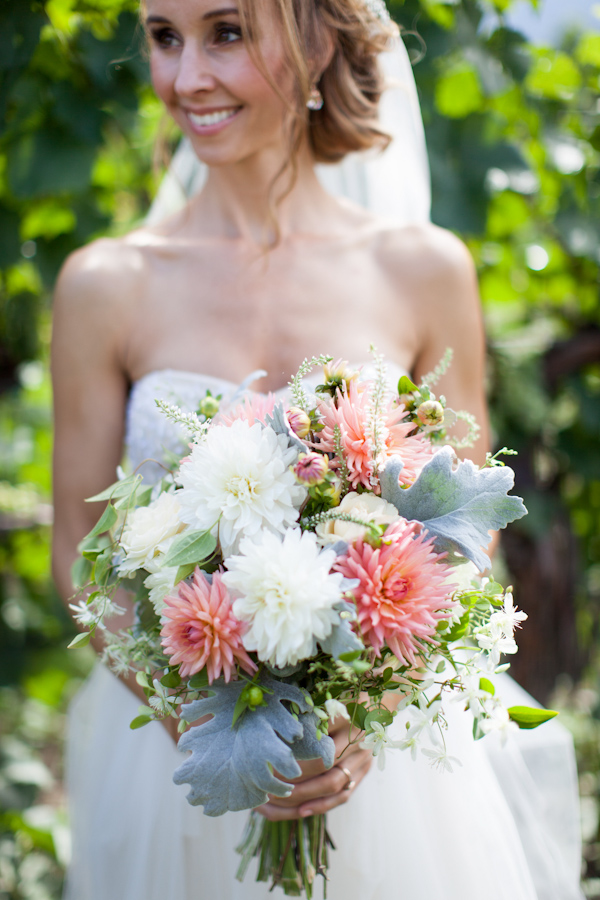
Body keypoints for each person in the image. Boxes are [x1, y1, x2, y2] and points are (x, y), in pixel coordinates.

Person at [51, 1, 584, 897]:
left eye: (226, 32)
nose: (187, 80)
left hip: (396, 768)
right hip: (176, 764)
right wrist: (199, 723)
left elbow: (467, 521)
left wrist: (366, 712)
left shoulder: (424, 268)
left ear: (318, 37)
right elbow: (75, 545)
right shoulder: (107, 284)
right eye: (163, 37)